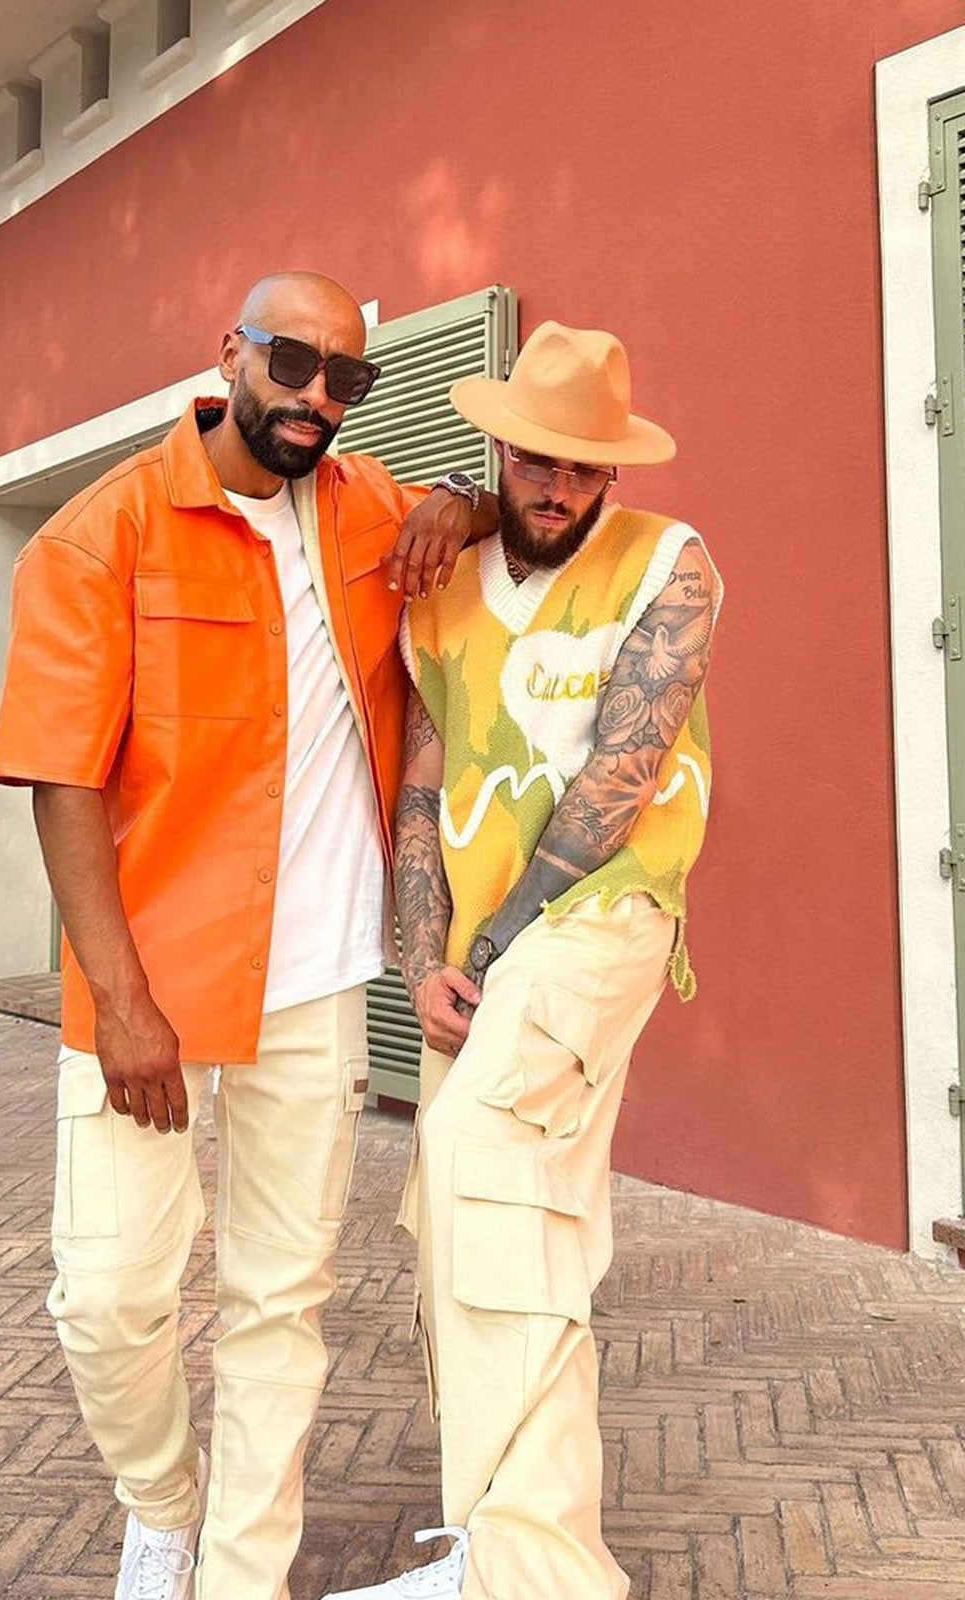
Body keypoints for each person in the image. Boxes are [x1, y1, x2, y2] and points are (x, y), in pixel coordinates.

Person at [0, 271, 499, 1600]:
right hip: (150, 980)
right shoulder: (102, 535)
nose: (317, 396)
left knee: (281, 1301)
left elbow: (502, 509)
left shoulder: (369, 507)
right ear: (231, 352)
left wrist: (464, 500)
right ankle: (161, 1504)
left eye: (348, 377)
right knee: (108, 1294)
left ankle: (237, 1576)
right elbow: (62, 781)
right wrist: (121, 1000)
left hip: (317, 983)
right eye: (293, 362)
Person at [325, 323, 721, 1600]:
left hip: (601, 909)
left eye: (586, 467)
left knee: (483, 1150)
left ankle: (527, 1568)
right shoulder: (440, 585)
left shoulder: (668, 561)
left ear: (615, 471)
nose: (560, 487)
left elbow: (623, 774)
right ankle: (500, 1536)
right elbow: (423, 783)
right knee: (478, 1214)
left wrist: (495, 944)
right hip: (476, 947)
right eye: (539, 459)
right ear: (499, 448)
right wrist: (420, 962)